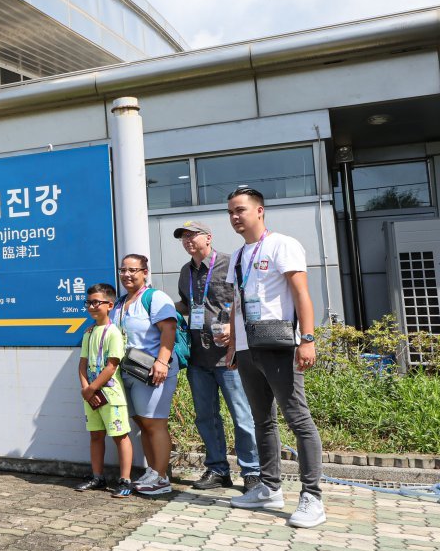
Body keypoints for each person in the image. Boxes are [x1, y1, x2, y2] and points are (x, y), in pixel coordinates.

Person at [224, 186, 325, 528]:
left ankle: (312, 496)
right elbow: (236, 304)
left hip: (279, 344)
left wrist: (307, 340)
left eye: (240, 210)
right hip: (247, 347)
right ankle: (269, 487)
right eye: (231, 213)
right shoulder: (238, 257)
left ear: (259, 211)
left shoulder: (282, 244)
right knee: (262, 420)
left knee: (298, 418)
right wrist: (232, 345)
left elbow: (301, 294)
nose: (235, 217)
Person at [173, 220, 261, 492]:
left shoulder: (229, 263)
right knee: (205, 417)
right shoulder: (185, 271)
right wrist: (158, 305)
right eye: (183, 237)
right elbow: (187, 306)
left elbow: (247, 300)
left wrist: (233, 327)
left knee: (242, 416)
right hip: (198, 357)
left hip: (229, 357)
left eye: (193, 235)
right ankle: (217, 470)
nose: (188, 240)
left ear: (208, 237)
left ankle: (252, 471)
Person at [113, 254, 179, 497]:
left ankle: (161, 477)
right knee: (143, 422)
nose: (127, 275)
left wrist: (162, 361)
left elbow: (169, 328)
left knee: (155, 422)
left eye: (133, 270)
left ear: (145, 272)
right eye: (123, 270)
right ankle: (154, 471)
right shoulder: (121, 302)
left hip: (154, 371)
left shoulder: (155, 297)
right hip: (131, 371)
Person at [74, 283, 134, 498]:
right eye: (88, 302)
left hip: (110, 395)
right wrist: (85, 389)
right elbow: (82, 364)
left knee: (120, 436)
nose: (91, 306)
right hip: (90, 395)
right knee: (96, 435)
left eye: (96, 302)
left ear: (110, 305)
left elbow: (111, 366)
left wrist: (91, 388)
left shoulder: (113, 333)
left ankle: (125, 480)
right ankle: (97, 477)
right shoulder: (88, 332)